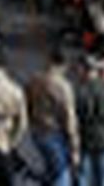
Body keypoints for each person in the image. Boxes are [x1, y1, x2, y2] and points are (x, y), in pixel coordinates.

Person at [26, 42, 80, 186]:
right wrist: (75, 147)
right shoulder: (63, 86)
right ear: (64, 65)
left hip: (37, 131)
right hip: (55, 134)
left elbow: (28, 104)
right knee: (62, 174)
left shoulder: (35, 80)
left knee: (50, 170)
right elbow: (69, 118)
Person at [74, 49, 104, 186]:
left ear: (85, 70)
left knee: (84, 176)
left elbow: (78, 116)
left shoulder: (80, 91)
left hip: (87, 139)